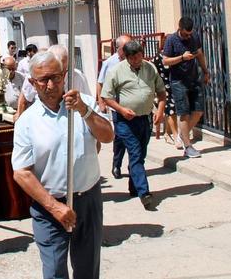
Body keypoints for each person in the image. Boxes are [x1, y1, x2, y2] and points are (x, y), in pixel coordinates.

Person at [12, 51, 113, 279]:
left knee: (88, 269)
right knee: (55, 271)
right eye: (43, 80)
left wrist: (84, 111)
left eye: (56, 78)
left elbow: (107, 136)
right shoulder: (27, 122)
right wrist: (55, 207)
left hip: (88, 199)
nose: (50, 85)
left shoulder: (83, 103)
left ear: (64, 75)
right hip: (49, 206)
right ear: (32, 83)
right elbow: (21, 173)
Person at [101, 40, 166, 210]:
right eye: (134, 58)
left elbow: (161, 91)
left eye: (139, 56)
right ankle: (144, 192)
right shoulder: (116, 71)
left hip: (145, 119)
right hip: (126, 122)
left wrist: (160, 110)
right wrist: (121, 110)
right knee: (135, 153)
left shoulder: (150, 68)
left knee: (140, 155)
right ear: (127, 58)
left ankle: (133, 186)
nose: (138, 60)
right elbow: (106, 96)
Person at [161, 17, 210, 159]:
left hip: (194, 78)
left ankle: (182, 136)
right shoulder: (171, 40)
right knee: (183, 113)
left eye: (190, 33)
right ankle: (188, 147)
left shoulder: (194, 37)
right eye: (186, 34)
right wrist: (182, 58)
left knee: (199, 110)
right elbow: (165, 60)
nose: (188, 36)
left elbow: (199, 54)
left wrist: (205, 71)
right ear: (180, 28)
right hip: (178, 81)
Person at [16, 44, 92, 121]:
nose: (64, 75)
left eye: (66, 70)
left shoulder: (78, 76)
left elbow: (88, 103)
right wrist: (19, 118)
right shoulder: (36, 76)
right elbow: (24, 99)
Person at [95, 35, 132, 179]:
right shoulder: (110, 63)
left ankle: (133, 166)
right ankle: (117, 164)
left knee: (134, 137)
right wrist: (101, 101)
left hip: (134, 106)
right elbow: (100, 83)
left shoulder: (135, 60)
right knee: (121, 137)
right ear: (118, 49)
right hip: (117, 106)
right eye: (125, 47)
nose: (129, 49)